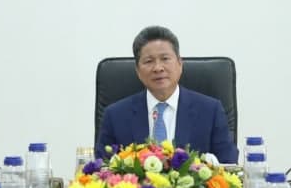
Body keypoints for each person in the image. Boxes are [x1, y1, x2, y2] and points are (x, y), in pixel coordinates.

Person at [96, 25, 238, 163]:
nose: (158, 68)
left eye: (165, 59)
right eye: (149, 61)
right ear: (138, 71)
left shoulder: (210, 111)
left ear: (180, 63)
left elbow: (229, 164)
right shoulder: (115, 116)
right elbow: (101, 169)